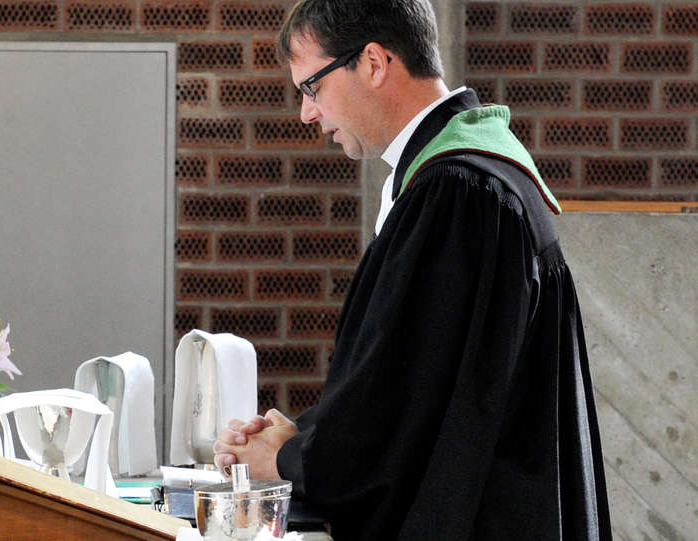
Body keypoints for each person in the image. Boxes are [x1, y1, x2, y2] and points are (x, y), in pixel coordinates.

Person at [211, 1, 612, 539]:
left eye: (312, 88)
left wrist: (291, 459)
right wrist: (304, 438)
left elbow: (402, 411)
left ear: (373, 63)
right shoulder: (462, 181)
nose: (307, 114)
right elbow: (424, 378)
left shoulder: (459, 193)